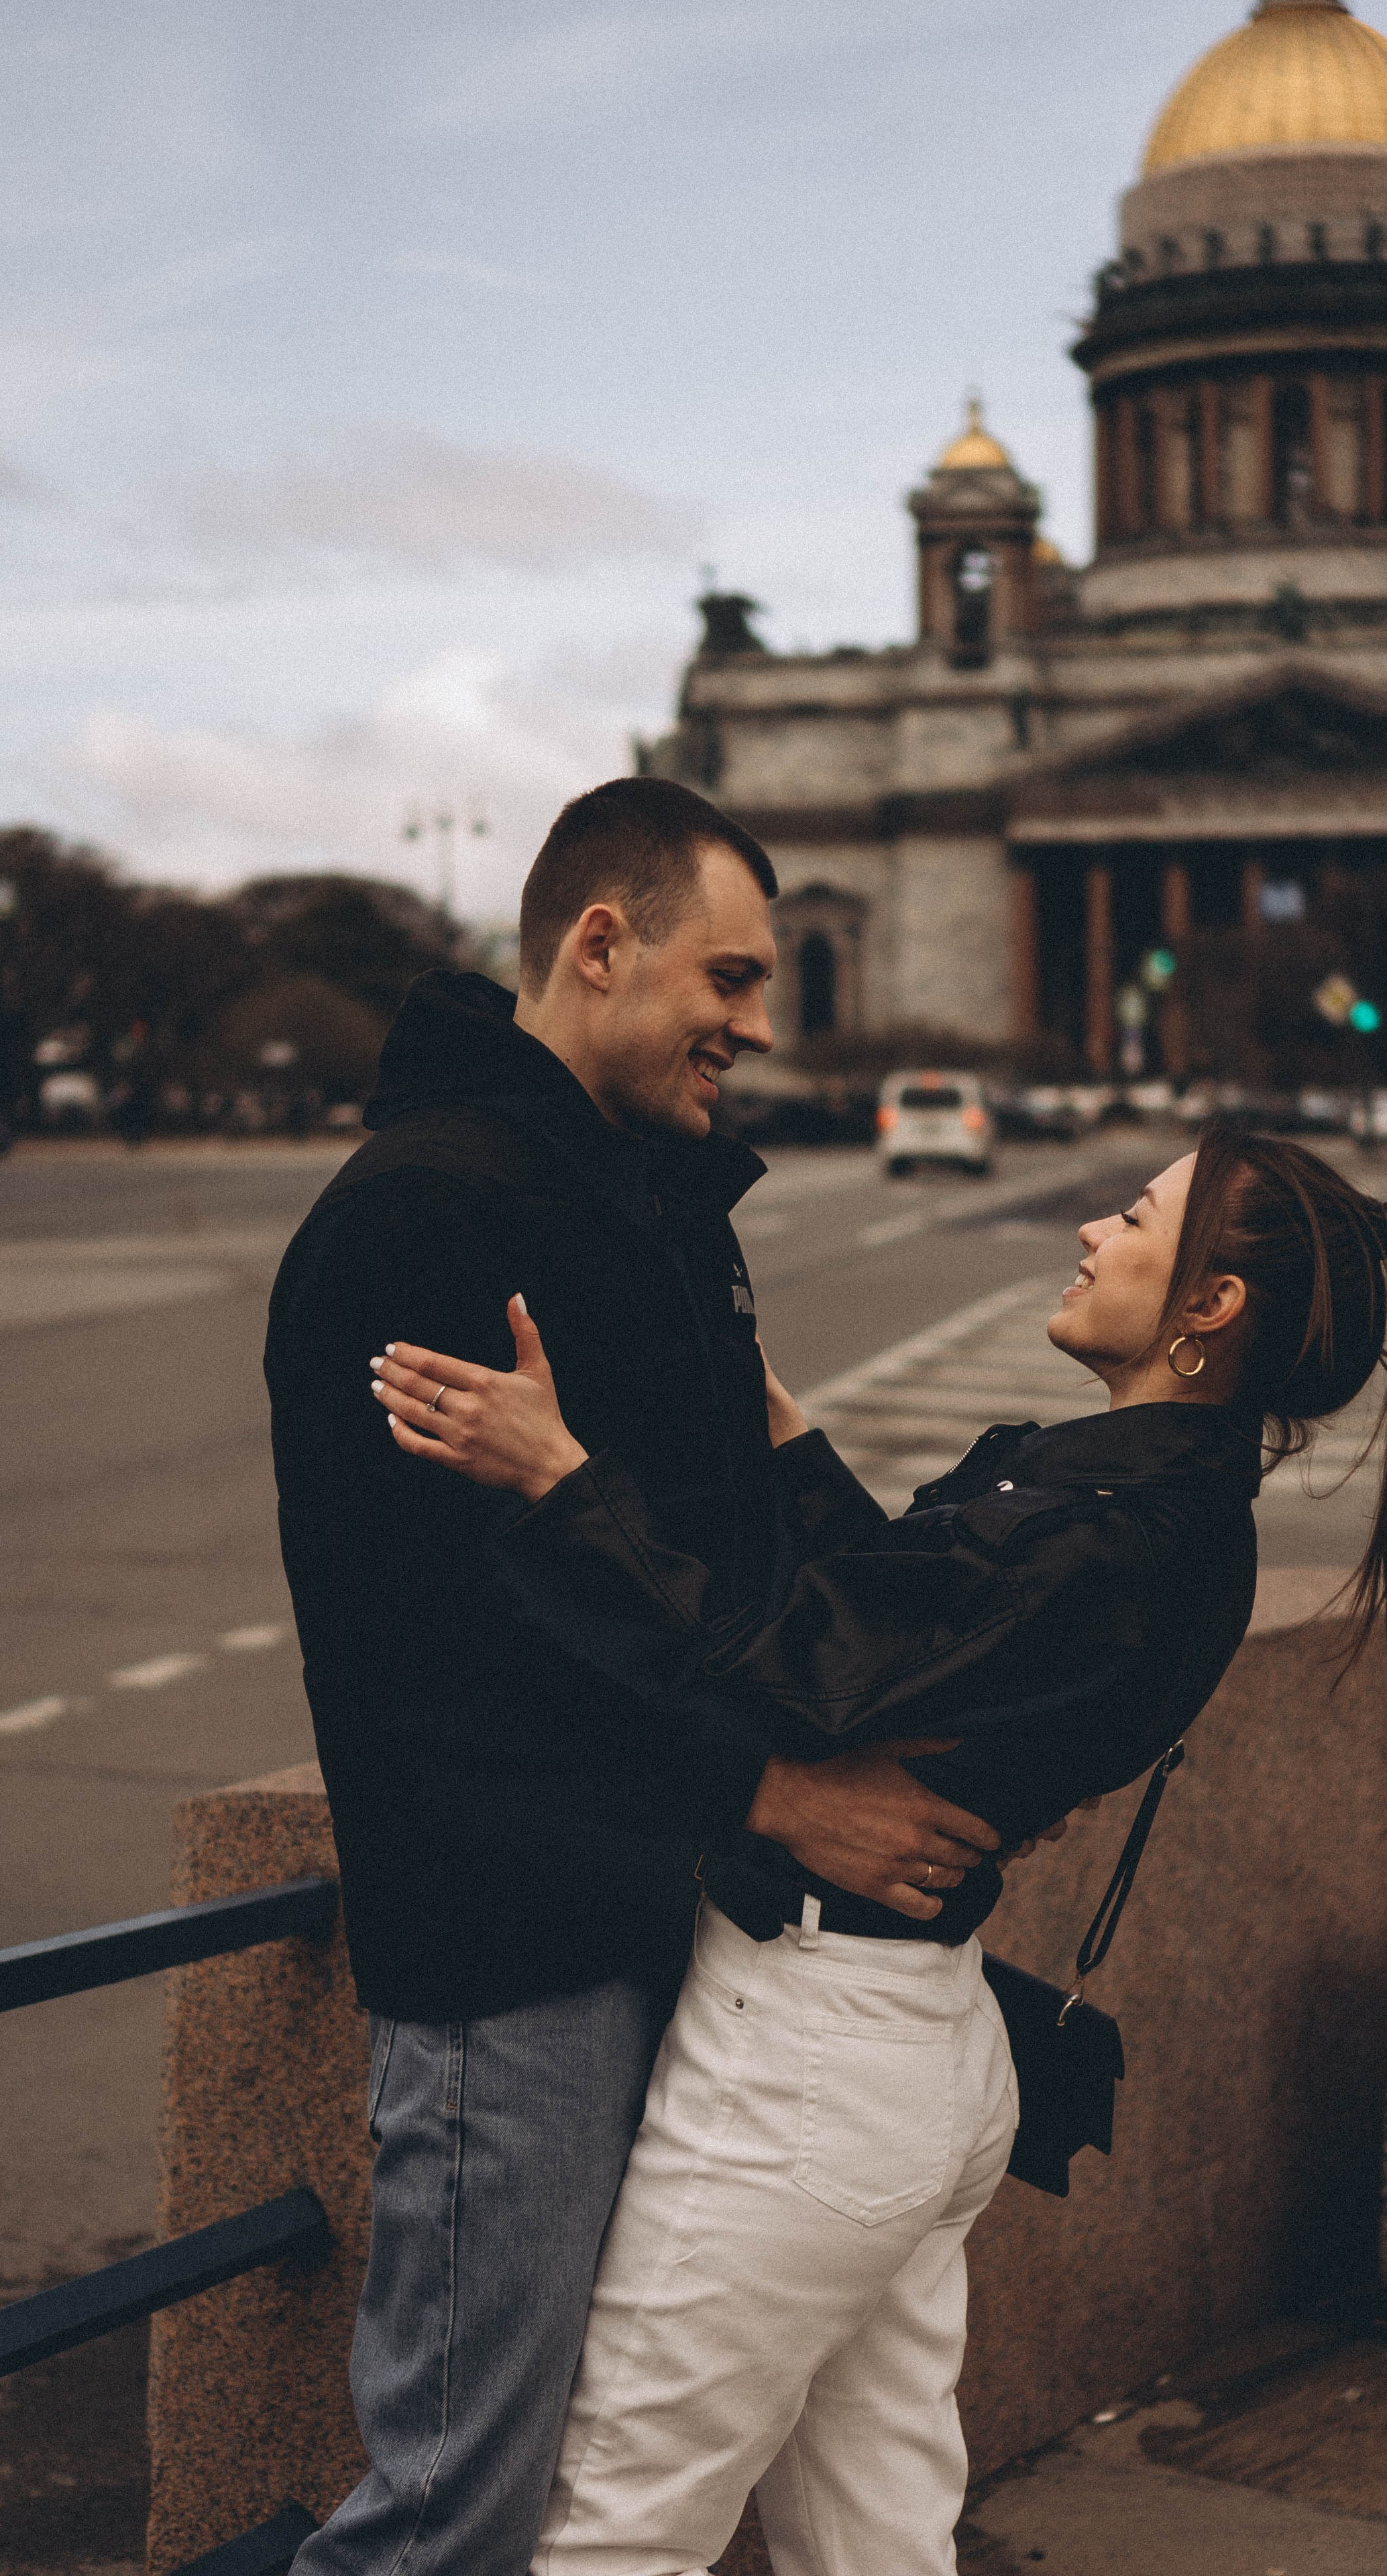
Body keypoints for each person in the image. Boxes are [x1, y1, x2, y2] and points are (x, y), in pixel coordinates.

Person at [367, 1126, 1387, 2576]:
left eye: (1139, 1215)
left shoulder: (1113, 1530)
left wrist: (560, 1475)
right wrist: (772, 1422)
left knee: (609, 2527)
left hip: (811, 2068)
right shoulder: (1150, 1497)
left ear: (1207, 1309)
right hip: (906, 2051)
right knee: (875, 2535)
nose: (1094, 1228)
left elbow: (802, 1665)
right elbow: (905, 1618)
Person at [266, 778, 1002, 2576]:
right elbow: (450, 1632)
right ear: (601, 945)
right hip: (509, 1946)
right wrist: (765, 1794)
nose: (761, 1023)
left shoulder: (639, 1199)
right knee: (460, 2505)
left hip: (647, 1907)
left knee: (566, 2476)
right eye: (732, 977)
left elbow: (710, 1569)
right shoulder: (433, 1214)